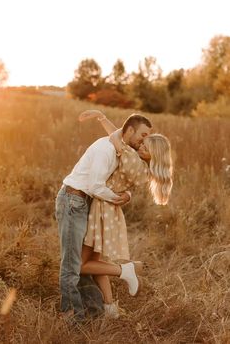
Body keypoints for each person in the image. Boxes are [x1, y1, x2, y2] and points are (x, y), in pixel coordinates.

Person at [55, 113, 152, 323]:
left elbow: (124, 180)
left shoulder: (122, 150)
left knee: (90, 261)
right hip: (74, 200)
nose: (143, 141)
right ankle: (72, 317)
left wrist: (127, 194)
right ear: (130, 131)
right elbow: (95, 186)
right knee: (73, 264)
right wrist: (117, 198)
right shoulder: (106, 149)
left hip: (91, 204)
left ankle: (99, 309)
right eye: (142, 135)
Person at [78, 110, 173, 319]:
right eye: (142, 142)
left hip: (102, 207)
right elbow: (120, 137)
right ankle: (110, 308)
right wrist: (102, 118)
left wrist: (103, 119)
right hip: (110, 210)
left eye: (145, 146)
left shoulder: (131, 159)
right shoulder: (145, 170)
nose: (140, 144)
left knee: (82, 264)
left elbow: (116, 136)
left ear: (152, 154)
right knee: (96, 261)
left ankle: (125, 270)